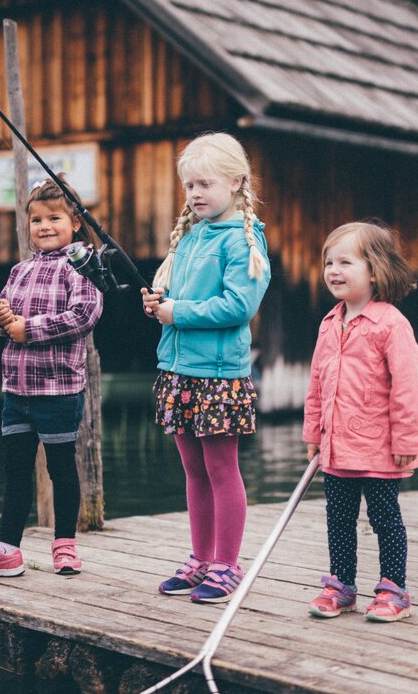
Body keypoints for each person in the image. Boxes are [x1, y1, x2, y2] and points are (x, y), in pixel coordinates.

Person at [142, 132, 270, 603]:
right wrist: (158, 304)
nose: (195, 194)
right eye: (189, 185)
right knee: (193, 472)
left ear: (236, 182)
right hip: (177, 372)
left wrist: (179, 313)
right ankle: (200, 559)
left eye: (204, 184)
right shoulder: (192, 236)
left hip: (219, 377)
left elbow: (238, 305)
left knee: (221, 470)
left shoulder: (244, 241)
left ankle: (226, 565)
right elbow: (179, 298)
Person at [0, 175, 102, 578]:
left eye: (54, 217)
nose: (45, 227)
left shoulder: (81, 267)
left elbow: (83, 316)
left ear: (74, 222)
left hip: (58, 390)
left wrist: (28, 329)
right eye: (36, 220)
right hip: (16, 390)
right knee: (15, 470)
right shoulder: (20, 270)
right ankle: (6, 550)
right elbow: (5, 320)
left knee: (61, 469)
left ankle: (65, 546)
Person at [304, 220, 418, 622]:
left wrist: (407, 440)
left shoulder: (390, 324)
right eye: (328, 262)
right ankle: (342, 585)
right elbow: (317, 382)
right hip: (336, 447)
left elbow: (408, 387)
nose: (333, 270)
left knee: (384, 519)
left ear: (373, 270)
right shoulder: (328, 324)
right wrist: (313, 433)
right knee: (337, 519)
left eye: (345, 262)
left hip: (378, 446)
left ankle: (394, 589)